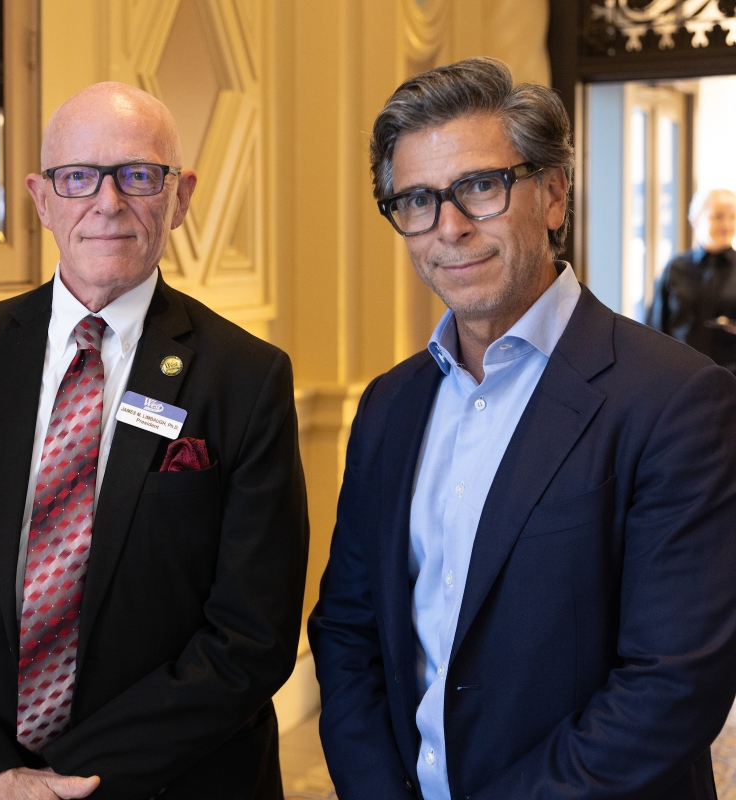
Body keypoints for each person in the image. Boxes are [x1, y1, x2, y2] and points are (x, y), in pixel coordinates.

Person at [309, 57, 736, 800]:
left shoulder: (677, 400)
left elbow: (673, 685)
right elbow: (348, 634)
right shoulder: (387, 406)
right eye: (415, 199)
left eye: (480, 186)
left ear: (553, 195)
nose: (449, 227)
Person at [0, 82, 308, 800]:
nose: (107, 203)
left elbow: (251, 636)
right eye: (78, 177)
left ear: (181, 195)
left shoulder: (246, 378)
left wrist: (55, 784)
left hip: (171, 782)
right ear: (41, 198)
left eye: (138, 175)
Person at [647, 188, 736, 372]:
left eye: (733, 216)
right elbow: (655, 326)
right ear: (696, 219)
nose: (726, 224)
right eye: (718, 216)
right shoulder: (676, 267)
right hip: (681, 375)